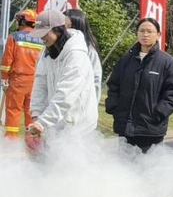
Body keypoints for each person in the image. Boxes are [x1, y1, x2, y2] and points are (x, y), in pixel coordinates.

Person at [104, 17, 173, 153]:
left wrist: (157, 113)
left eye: (149, 31)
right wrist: (114, 107)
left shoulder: (166, 62)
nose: (145, 34)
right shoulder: (126, 60)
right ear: (137, 33)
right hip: (125, 127)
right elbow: (114, 85)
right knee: (125, 169)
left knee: (148, 170)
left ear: (158, 35)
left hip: (151, 129)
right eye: (142, 31)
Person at [27, 10, 99, 142]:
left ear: (58, 30)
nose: (41, 38)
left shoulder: (76, 54)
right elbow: (40, 83)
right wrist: (36, 115)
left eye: (44, 33)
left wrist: (43, 122)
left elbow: (66, 93)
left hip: (79, 124)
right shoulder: (46, 51)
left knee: (72, 161)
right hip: (56, 121)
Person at [2, 9, 43, 137]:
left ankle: (11, 142)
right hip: (36, 82)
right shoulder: (41, 39)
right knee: (31, 112)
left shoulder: (14, 37)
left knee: (13, 111)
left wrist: (4, 78)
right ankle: (31, 143)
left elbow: (7, 61)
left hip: (18, 81)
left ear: (23, 21)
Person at [64, 8, 103, 102]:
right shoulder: (55, 47)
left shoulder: (88, 50)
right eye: (63, 27)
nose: (66, 31)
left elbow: (96, 78)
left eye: (70, 27)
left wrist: (92, 104)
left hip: (79, 103)